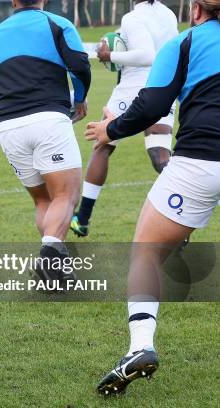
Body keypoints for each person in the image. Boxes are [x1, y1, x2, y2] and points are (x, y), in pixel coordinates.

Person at [85, 0, 220, 395]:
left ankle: (141, 346)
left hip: (199, 162)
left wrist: (113, 129)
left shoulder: (187, 43)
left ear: (196, 10)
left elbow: (153, 104)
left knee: (145, 251)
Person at [0, 0, 91, 280]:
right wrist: (79, 99)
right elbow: (80, 66)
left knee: (43, 201)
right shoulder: (58, 24)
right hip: (48, 120)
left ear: (13, 1)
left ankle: (58, 270)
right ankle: (49, 259)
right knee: (65, 196)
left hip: (8, 126)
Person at [71, 0, 178, 238]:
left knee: (103, 144)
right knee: (160, 156)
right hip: (164, 87)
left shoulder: (132, 17)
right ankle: (183, 211)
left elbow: (146, 54)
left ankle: (83, 218)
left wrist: (110, 54)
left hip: (133, 88)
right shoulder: (169, 15)